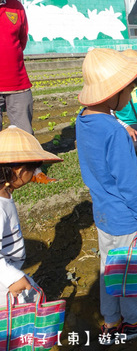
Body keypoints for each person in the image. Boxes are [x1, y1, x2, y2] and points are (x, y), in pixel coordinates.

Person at [75, 48, 137, 343]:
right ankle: (134, 319)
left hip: (103, 214)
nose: (132, 90)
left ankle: (111, 321)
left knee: (108, 268)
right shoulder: (115, 132)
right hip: (126, 217)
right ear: (113, 91)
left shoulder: (83, 121)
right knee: (129, 272)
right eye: (129, 85)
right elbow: (130, 183)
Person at [0, 0, 54, 184]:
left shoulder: (15, 6)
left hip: (17, 81)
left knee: (24, 130)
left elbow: (21, 39)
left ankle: (33, 172)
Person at [0, 126, 62, 307]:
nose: (35, 173)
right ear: (19, 170)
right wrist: (12, 278)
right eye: (34, 168)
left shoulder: (5, 194)